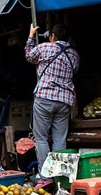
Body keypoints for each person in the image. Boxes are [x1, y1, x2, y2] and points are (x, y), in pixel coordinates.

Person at [25, 23, 80, 174]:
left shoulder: (46, 47)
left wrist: (31, 36)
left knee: (41, 139)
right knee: (60, 140)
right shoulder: (74, 55)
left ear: (53, 36)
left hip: (44, 97)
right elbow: (74, 71)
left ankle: (45, 176)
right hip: (64, 101)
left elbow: (29, 56)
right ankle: (59, 175)